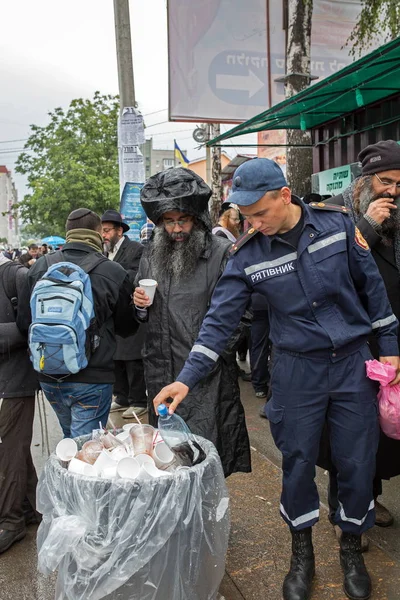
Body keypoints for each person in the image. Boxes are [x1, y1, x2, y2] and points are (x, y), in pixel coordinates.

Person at [153, 158, 400, 600]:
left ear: (285, 196)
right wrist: (186, 379)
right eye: (246, 216)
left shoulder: (338, 227)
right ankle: (300, 552)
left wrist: (392, 348)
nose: (254, 222)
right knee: (299, 463)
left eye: (260, 212)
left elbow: (373, 291)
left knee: (358, 462)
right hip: (296, 372)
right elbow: (218, 323)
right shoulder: (246, 255)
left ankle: (350, 548)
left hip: (351, 366)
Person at [133, 167, 251, 477]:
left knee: (204, 459)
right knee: (167, 460)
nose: (175, 229)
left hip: (205, 379)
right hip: (160, 371)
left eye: (181, 220)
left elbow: (239, 317)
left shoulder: (222, 254)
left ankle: (204, 519)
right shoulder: (150, 255)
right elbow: (142, 312)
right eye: (168, 222)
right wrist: (140, 306)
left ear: (196, 219)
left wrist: (211, 359)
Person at [317, 140, 400, 538]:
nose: (394, 192)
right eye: (387, 182)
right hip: (348, 346)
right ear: (365, 180)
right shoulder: (332, 213)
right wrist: (365, 225)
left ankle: (370, 495)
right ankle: (344, 509)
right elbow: (327, 276)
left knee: (384, 429)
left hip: (390, 343)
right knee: (346, 432)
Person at [27, 208, 137, 438]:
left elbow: (24, 322)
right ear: (98, 232)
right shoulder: (113, 271)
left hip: (49, 373)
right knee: (85, 451)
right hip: (93, 378)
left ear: (68, 233)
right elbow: (128, 328)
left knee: (71, 439)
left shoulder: (40, 267)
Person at [0, 250, 40, 554]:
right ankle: (29, 508)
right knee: (14, 447)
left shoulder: (15, 275)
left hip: (16, 377)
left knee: (10, 451)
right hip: (9, 379)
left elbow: (33, 326)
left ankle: (10, 522)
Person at [101, 209, 147, 419]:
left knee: (132, 358)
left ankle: (138, 400)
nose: (104, 234)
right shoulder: (104, 252)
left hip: (130, 311)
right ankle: (121, 397)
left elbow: (135, 275)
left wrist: (109, 275)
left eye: (108, 230)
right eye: (102, 231)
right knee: (116, 357)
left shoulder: (135, 249)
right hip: (112, 313)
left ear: (120, 230)